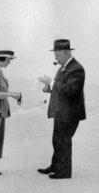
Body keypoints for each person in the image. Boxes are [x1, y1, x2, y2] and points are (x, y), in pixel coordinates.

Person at [37, 39, 86, 179]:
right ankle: (55, 166)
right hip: (61, 111)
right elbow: (58, 88)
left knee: (63, 140)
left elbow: (70, 90)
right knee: (57, 140)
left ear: (65, 53)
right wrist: (46, 86)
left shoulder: (77, 69)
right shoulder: (63, 67)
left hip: (70, 113)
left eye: (57, 56)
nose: (56, 59)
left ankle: (64, 172)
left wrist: (51, 82)